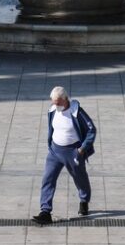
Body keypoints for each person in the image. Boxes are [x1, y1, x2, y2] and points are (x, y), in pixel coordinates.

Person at [32, 86, 97, 225]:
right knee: (48, 179)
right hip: (55, 151)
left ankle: (84, 200)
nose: (55, 105)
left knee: (80, 179)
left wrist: (81, 149)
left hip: (73, 152)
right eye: (53, 102)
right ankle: (45, 211)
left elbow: (91, 130)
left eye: (57, 102)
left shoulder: (76, 112)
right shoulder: (52, 110)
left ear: (65, 99)